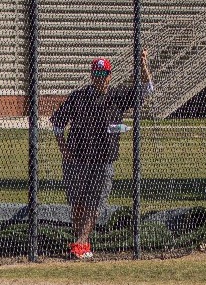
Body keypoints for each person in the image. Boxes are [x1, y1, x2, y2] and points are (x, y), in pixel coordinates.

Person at [50, 50, 154, 259]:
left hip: (103, 160)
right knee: (78, 203)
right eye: (97, 75)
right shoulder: (78, 97)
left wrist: (143, 67)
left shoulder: (117, 96)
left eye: (104, 74)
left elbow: (147, 90)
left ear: (110, 75)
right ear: (91, 76)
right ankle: (81, 243)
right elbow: (57, 123)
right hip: (77, 159)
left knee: (94, 204)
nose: (101, 79)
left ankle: (81, 244)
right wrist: (64, 149)